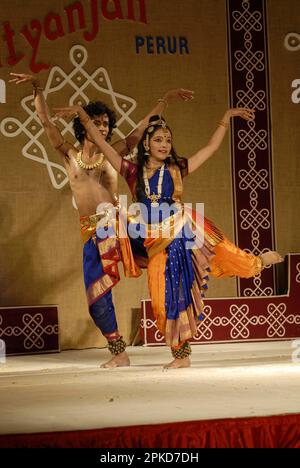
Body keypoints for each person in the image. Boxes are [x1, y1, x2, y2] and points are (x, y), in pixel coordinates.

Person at [52, 104, 283, 369]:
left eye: (168, 140)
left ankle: (257, 263)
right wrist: (82, 115)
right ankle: (178, 354)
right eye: (158, 140)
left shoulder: (177, 168)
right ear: (146, 144)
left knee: (223, 255)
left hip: (179, 233)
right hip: (153, 242)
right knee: (161, 305)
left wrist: (225, 117)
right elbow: (103, 143)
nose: (164, 144)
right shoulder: (131, 171)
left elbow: (209, 150)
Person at [9, 72, 194, 367]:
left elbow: (140, 127)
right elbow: (45, 122)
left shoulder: (114, 152)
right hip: (91, 233)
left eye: (106, 122)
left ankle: (181, 349)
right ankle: (119, 353)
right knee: (96, 299)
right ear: (83, 125)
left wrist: (166, 99)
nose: (103, 127)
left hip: (120, 227)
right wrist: (36, 86)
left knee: (168, 265)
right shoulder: (68, 155)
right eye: (97, 122)